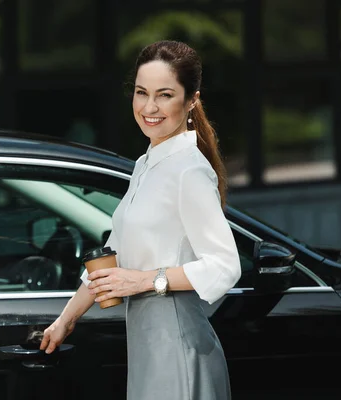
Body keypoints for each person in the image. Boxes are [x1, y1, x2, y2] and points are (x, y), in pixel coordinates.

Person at [40, 40, 241, 400]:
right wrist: (66, 320)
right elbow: (111, 255)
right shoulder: (146, 164)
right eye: (141, 92)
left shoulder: (189, 170)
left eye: (165, 95)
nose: (149, 107)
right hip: (149, 343)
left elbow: (225, 266)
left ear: (191, 100)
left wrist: (145, 281)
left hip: (178, 344)